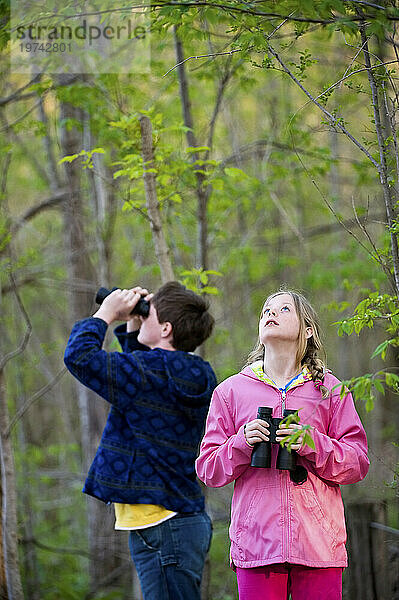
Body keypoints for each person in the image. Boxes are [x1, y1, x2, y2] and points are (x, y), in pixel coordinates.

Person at [195, 289, 369, 600]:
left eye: (284, 309)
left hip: (318, 546)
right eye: (266, 311)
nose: (271, 314)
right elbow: (208, 469)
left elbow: (357, 463)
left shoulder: (330, 390)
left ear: (308, 330)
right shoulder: (231, 391)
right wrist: (242, 443)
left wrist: (310, 442)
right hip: (257, 545)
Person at [64, 281, 217, 600]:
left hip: (162, 528)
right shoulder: (199, 373)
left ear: (165, 328)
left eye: (149, 314)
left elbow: (79, 356)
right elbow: (145, 392)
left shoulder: (146, 374)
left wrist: (105, 314)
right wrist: (135, 324)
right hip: (178, 520)